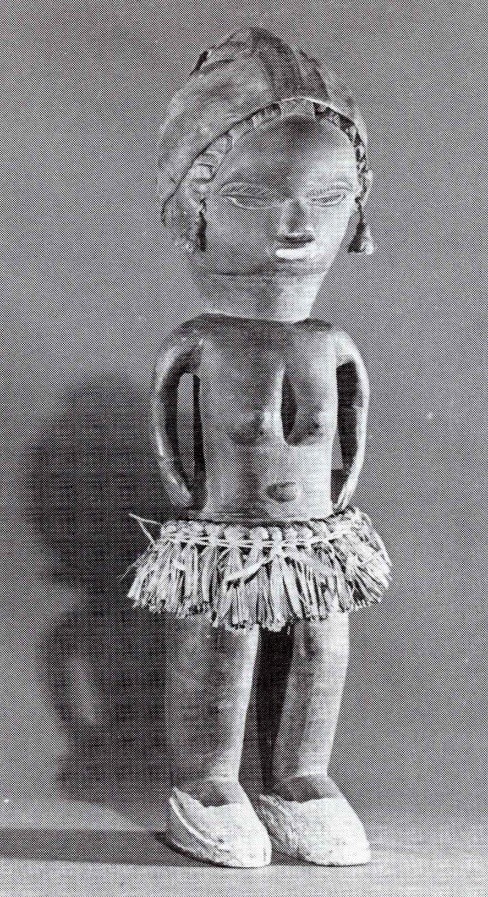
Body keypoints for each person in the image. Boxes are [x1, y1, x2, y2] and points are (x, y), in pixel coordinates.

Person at [129, 27, 390, 867]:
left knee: (322, 640)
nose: (295, 225)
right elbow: (169, 433)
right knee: (224, 635)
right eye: (252, 196)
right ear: (194, 206)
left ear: (358, 208)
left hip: (317, 532)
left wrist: (335, 505)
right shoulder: (200, 341)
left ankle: (299, 777)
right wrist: (190, 505)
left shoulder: (330, 340)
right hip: (223, 532)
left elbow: (352, 432)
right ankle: (207, 781)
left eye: (328, 196)